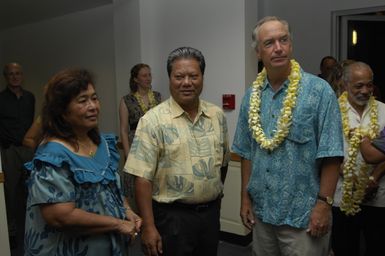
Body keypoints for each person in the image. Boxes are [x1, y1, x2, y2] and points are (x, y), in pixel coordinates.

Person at [232, 16, 344, 256]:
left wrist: (324, 205)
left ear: (291, 45)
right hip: (262, 216)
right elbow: (246, 152)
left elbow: (332, 153)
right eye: (269, 43)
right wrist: (245, 200)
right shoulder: (251, 96)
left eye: (284, 40)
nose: (279, 48)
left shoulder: (319, 91)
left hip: (304, 217)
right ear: (258, 53)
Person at [124, 46, 230, 256]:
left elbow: (223, 163)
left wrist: (214, 197)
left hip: (209, 216)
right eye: (179, 76)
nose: (187, 82)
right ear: (170, 78)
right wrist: (148, 226)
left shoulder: (217, 115)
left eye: (193, 76)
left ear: (202, 77)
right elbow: (142, 179)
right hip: (171, 218)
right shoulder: (152, 121)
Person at [23, 68, 141, 255]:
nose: (93, 106)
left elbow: (111, 188)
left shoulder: (102, 143)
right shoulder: (52, 156)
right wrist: (118, 223)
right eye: (83, 101)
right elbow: (60, 216)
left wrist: (127, 210)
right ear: (62, 111)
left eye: (94, 98)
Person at [331, 61, 385, 256]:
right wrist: (349, 176)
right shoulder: (332, 111)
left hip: (378, 197)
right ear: (345, 85)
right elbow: (326, 151)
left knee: (377, 247)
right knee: (345, 248)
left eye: (369, 84)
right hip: (342, 196)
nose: (365, 90)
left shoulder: (384, 110)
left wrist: (373, 178)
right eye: (358, 85)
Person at [0, 62, 35, 251]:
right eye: (11, 74)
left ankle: (30, 231)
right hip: (10, 151)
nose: (15, 76)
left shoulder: (30, 97)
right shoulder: (1, 99)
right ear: (6, 77)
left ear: (22, 76)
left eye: (18, 73)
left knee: (30, 192)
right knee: (11, 193)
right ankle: (12, 234)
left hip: (28, 150)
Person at [119, 63, 161, 159]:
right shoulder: (126, 100)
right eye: (144, 75)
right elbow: (124, 130)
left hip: (156, 143)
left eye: (149, 75)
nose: (148, 78)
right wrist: (127, 153)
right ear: (136, 79)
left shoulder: (158, 97)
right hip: (136, 145)